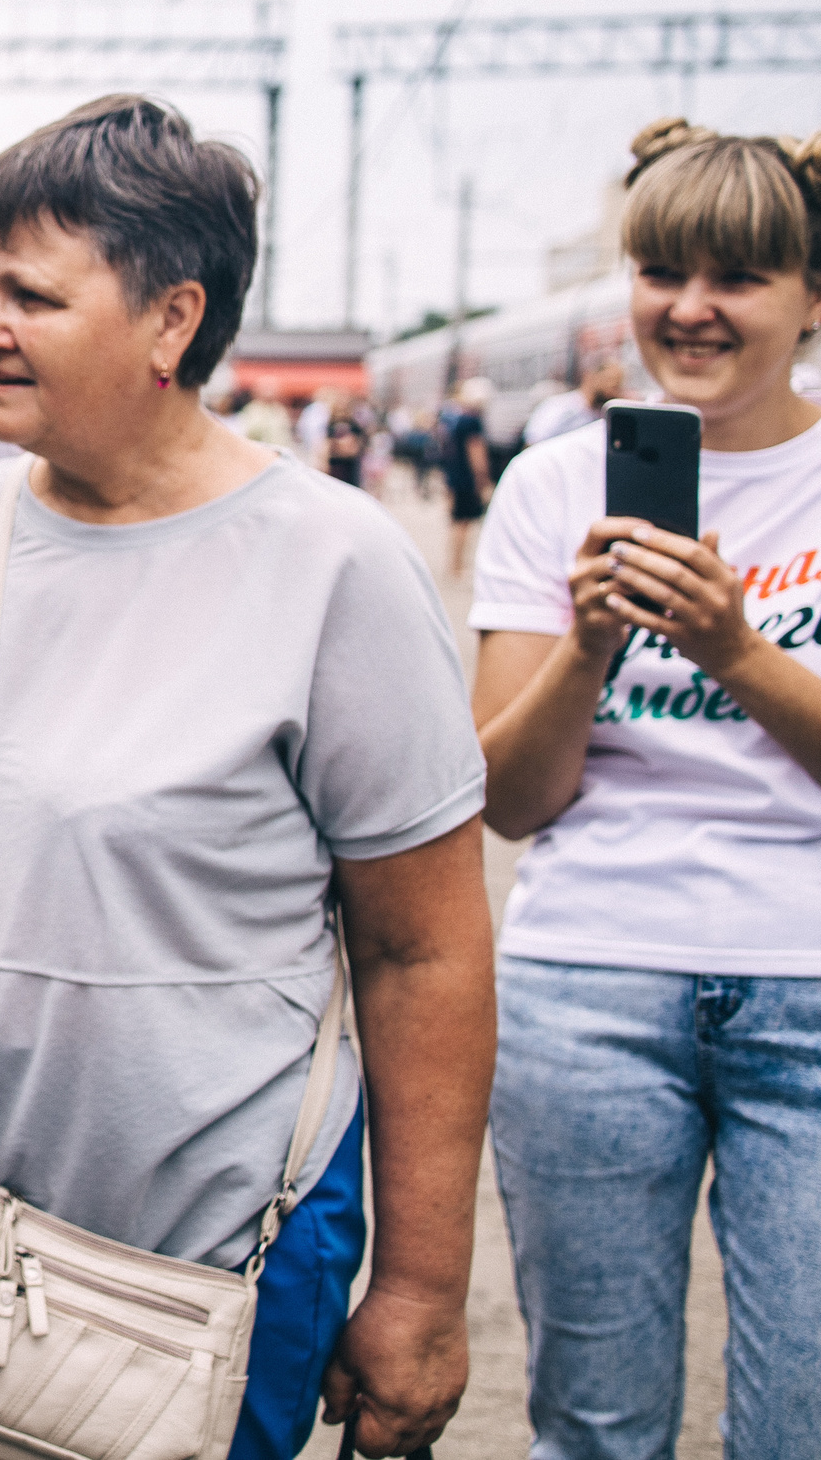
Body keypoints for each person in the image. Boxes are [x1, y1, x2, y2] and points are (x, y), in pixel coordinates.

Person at [0, 95, 493, 1460]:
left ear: (174, 318)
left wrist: (421, 1289)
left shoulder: (333, 568)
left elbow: (423, 948)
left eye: (30, 292)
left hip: (195, 1259)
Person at [471, 117, 821, 1460]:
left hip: (806, 982)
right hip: (590, 987)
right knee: (597, 1429)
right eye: (661, 268)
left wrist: (734, 649)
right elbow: (507, 798)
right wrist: (588, 647)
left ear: (808, 298)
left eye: (734, 276)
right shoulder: (555, 484)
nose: (689, 307)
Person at [440, 378, 494, 578]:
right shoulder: (473, 421)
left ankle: (453, 564)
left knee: (455, 522)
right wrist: (483, 480)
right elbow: (477, 454)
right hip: (468, 479)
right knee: (464, 523)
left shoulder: (454, 419)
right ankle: (457, 565)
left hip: (454, 475)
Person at [520, 355, 628, 448]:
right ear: (590, 377)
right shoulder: (559, 407)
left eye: (618, 385)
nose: (613, 391)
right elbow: (532, 444)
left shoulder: (599, 415)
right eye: (610, 381)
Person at [323, 389, 367, 487]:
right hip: (336, 461)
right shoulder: (331, 422)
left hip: (349, 462)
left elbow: (360, 440)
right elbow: (327, 441)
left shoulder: (353, 422)